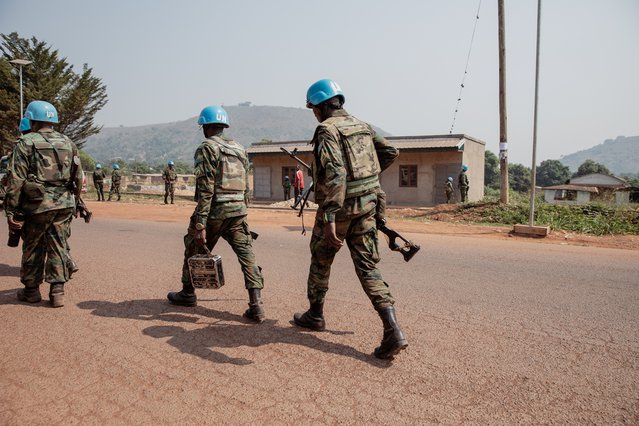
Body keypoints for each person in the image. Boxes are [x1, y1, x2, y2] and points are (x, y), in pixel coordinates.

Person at [293, 79, 407, 360]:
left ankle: (315, 315)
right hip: (368, 206)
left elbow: (334, 173)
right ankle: (392, 328)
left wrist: (330, 215)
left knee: (321, 259)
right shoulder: (362, 125)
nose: (314, 114)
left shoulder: (326, 130)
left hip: (339, 209)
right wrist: (366, 178)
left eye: (313, 108)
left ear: (320, 107)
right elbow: (390, 152)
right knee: (368, 267)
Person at [167, 105, 266, 322]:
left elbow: (206, 188)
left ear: (205, 127)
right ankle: (256, 304)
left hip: (214, 212)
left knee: (193, 249)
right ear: (223, 126)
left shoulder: (207, 147)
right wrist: (242, 211)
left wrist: (201, 223)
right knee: (247, 255)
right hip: (237, 211)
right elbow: (245, 188)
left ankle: (187, 293)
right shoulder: (240, 148)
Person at [4, 100, 82, 307]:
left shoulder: (26, 142)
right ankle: (57, 291)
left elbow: (15, 179)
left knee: (33, 246)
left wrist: (10, 210)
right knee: (58, 244)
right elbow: (79, 177)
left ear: (31, 119)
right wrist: (75, 201)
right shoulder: (68, 142)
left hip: (37, 205)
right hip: (64, 204)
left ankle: (31, 291)